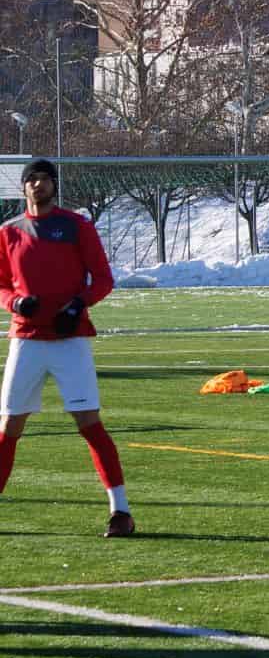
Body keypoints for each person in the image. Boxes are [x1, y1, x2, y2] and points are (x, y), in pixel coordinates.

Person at [0, 158, 131, 538]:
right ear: (22, 187)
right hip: (26, 340)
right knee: (9, 426)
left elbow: (104, 278)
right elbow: (3, 285)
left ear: (55, 185)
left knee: (89, 423)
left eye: (44, 179)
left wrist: (78, 304)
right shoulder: (8, 232)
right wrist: (14, 304)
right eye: (32, 180)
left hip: (69, 340)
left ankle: (120, 511)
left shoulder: (76, 226)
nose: (38, 185)